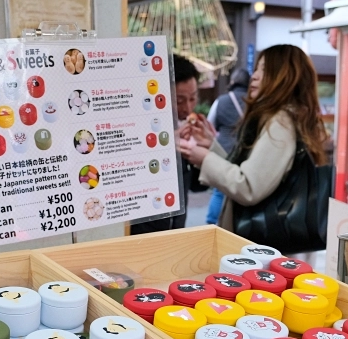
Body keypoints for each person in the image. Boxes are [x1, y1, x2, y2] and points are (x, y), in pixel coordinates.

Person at [178, 44, 328, 234]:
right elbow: (250, 172)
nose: (255, 75)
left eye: (264, 70)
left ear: (285, 77)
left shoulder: (281, 123)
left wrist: (202, 157)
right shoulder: (282, 118)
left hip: (264, 245)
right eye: (256, 68)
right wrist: (210, 147)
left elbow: (248, 186)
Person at [131, 53, 208, 234]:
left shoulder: (185, 131)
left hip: (175, 231)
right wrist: (161, 147)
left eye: (193, 98)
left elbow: (198, 186)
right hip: (140, 234)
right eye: (179, 100)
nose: (188, 108)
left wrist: (203, 151)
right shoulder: (136, 127)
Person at [205, 68, 249, 225]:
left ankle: (212, 223)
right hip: (245, 152)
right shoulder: (253, 102)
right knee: (238, 190)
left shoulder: (222, 100)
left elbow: (211, 125)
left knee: (219, 191)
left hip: (223, 150)